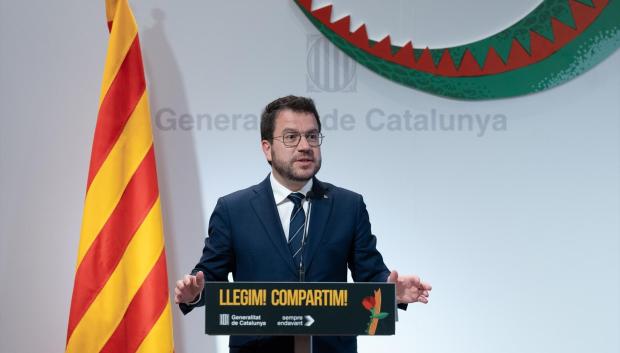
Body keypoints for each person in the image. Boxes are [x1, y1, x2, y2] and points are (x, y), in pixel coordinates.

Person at [175, 95, 432, 353]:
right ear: (267, 148)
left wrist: (390, 291)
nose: (304, 146)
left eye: (312, 136)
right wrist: (195, 293)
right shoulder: (233, 210)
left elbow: (370, 272)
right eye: (290, 137)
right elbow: (210, 277)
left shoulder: (348, 206)